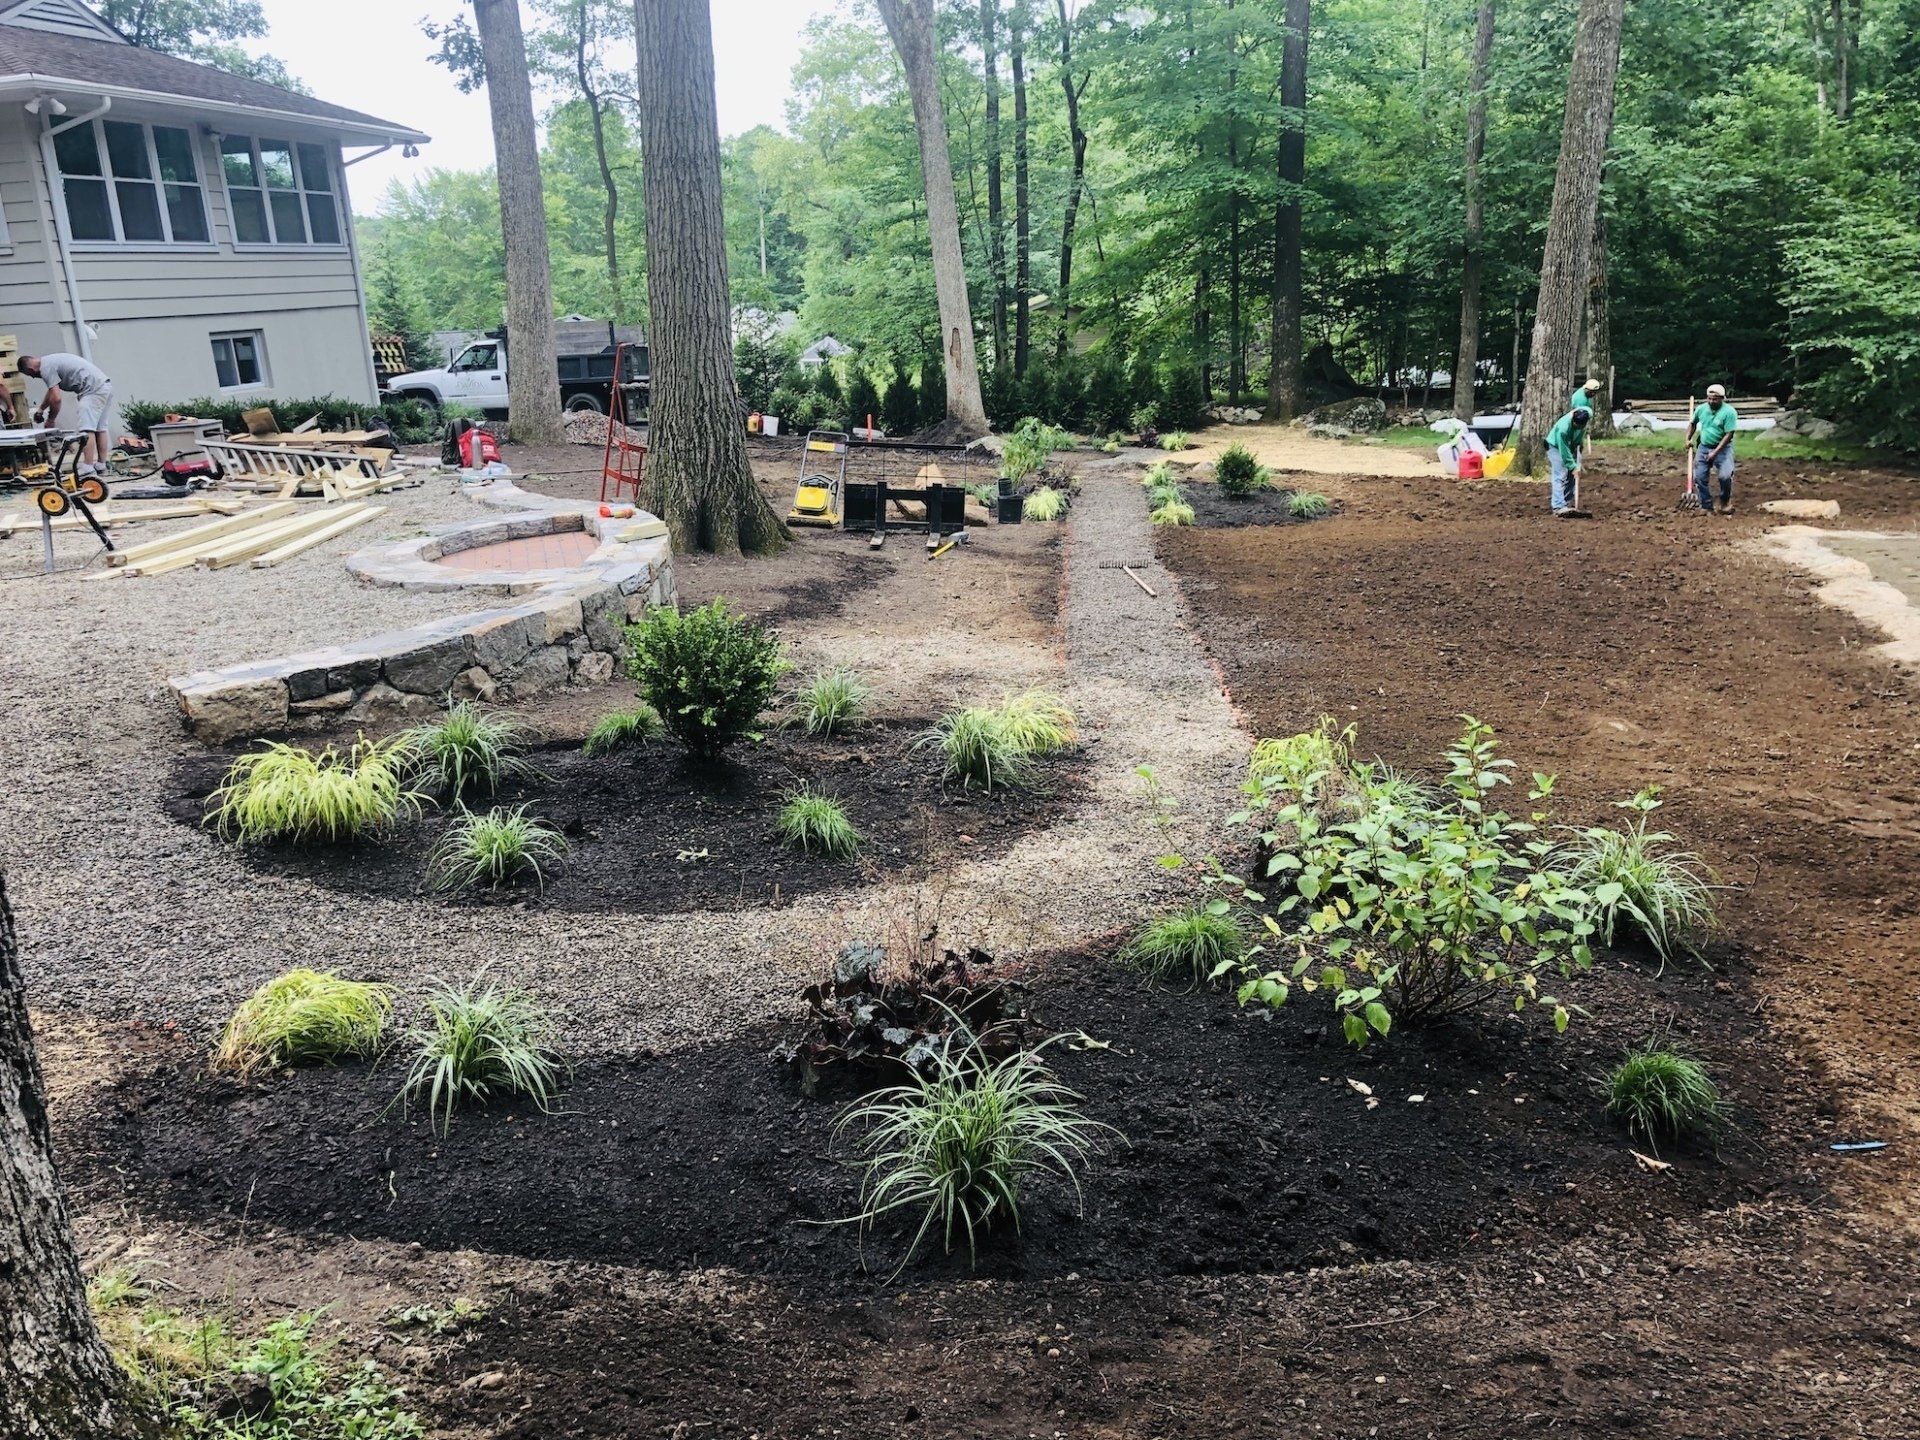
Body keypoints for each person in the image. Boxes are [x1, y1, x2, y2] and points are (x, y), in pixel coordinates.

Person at [20, 352, 114, 478]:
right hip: (104, 385)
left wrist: (51, 420)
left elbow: (57, 399)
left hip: (92, 390)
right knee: (100, 428)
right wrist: (41, 409)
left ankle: (88, 468)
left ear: (30, 370)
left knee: (86, 429)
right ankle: (101, 466)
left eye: (29, 375)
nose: (32, 377)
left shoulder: (45, 369)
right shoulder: (49, 361)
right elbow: (52, 392)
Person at [1687, 384, 1738, 514]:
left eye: (1714, 399)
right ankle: (1706, 505)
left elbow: (1729, 434)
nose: (1711, 401)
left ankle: (1724, 502)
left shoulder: (1729, 412)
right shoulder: (1701, 409)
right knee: (1699, 477)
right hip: (1704, 447)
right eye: (1709, 398)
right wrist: (1688, 438)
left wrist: (1715, 452)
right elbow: (1692, 424)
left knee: (1725, 476)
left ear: (1722, 398)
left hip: (1723, 448)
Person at [1546, 406, 1590, 516]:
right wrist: (1573, 466)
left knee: (1572, 476)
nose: (1578, 427)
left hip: (1572, 444)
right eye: (1576, 425)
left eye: (1581, 426)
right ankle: (1558, 506)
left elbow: (1579, 435)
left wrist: (1579, 444)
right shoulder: (1563, 429)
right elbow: (1564, 451)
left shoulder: (1586, 416)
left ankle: (1565, 502)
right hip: (1554, 446)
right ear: (1573, 421)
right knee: (1560, 474)